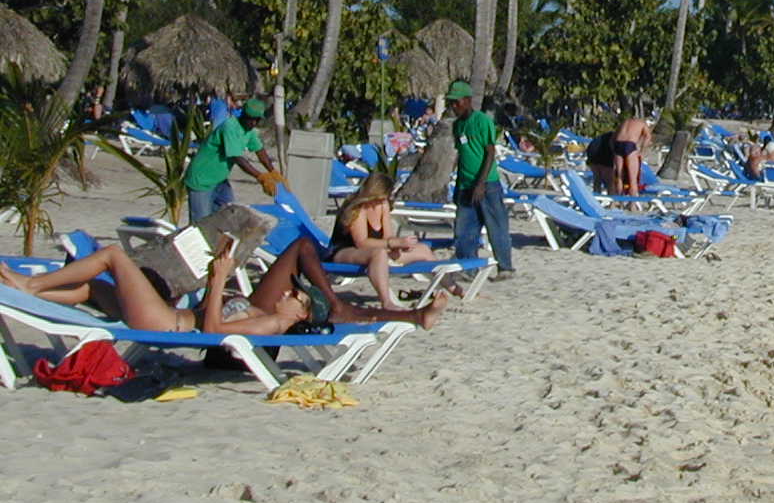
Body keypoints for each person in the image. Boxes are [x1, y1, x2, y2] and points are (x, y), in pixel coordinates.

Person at [0, 234, 449, 334]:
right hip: (169, 311)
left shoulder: (271, 324)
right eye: (295, 290)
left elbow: (212, 331)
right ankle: (40, 290)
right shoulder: (272, 311)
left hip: (163, 322)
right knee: (90, 288)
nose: (290, 292)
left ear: (297, 316)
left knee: (111, 256)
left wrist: (218, 283)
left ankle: (31, 287)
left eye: (296, 298)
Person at [331, 171, 446, 310]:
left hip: (376, 251)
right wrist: (392, 243)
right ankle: (386, 301)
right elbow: (361, 242)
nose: (384, 200)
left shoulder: (383, 204)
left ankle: (455, 289)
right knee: (378, 254)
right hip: (344, 252)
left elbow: (388, 237)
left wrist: (399, 245)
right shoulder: (358, 208)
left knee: (423, 249)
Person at [446, 80, 515, 281]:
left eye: (456, 102)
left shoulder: (482, 121)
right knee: (464, 230)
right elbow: (462, 155)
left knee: (497, 227)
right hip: (465, 185)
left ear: (467, 101)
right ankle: (468, 268)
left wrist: (481, 183)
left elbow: (489, 153)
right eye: (451, 103)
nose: (454, 106)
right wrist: (457, 185)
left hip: (487, 184)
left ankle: (505, 267)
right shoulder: (457, 126)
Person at [183, 98, 281, 224]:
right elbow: (237, 158)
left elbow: (260, 151)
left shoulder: (248, 131)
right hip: (202, 180)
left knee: (229, 216)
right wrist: (261, 177)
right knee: (201, 224)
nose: (253, 123)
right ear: (244, 115)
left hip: (219, 180)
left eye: (257, 120)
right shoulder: (230, 127)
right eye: (251, 119)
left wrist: (273, 172)